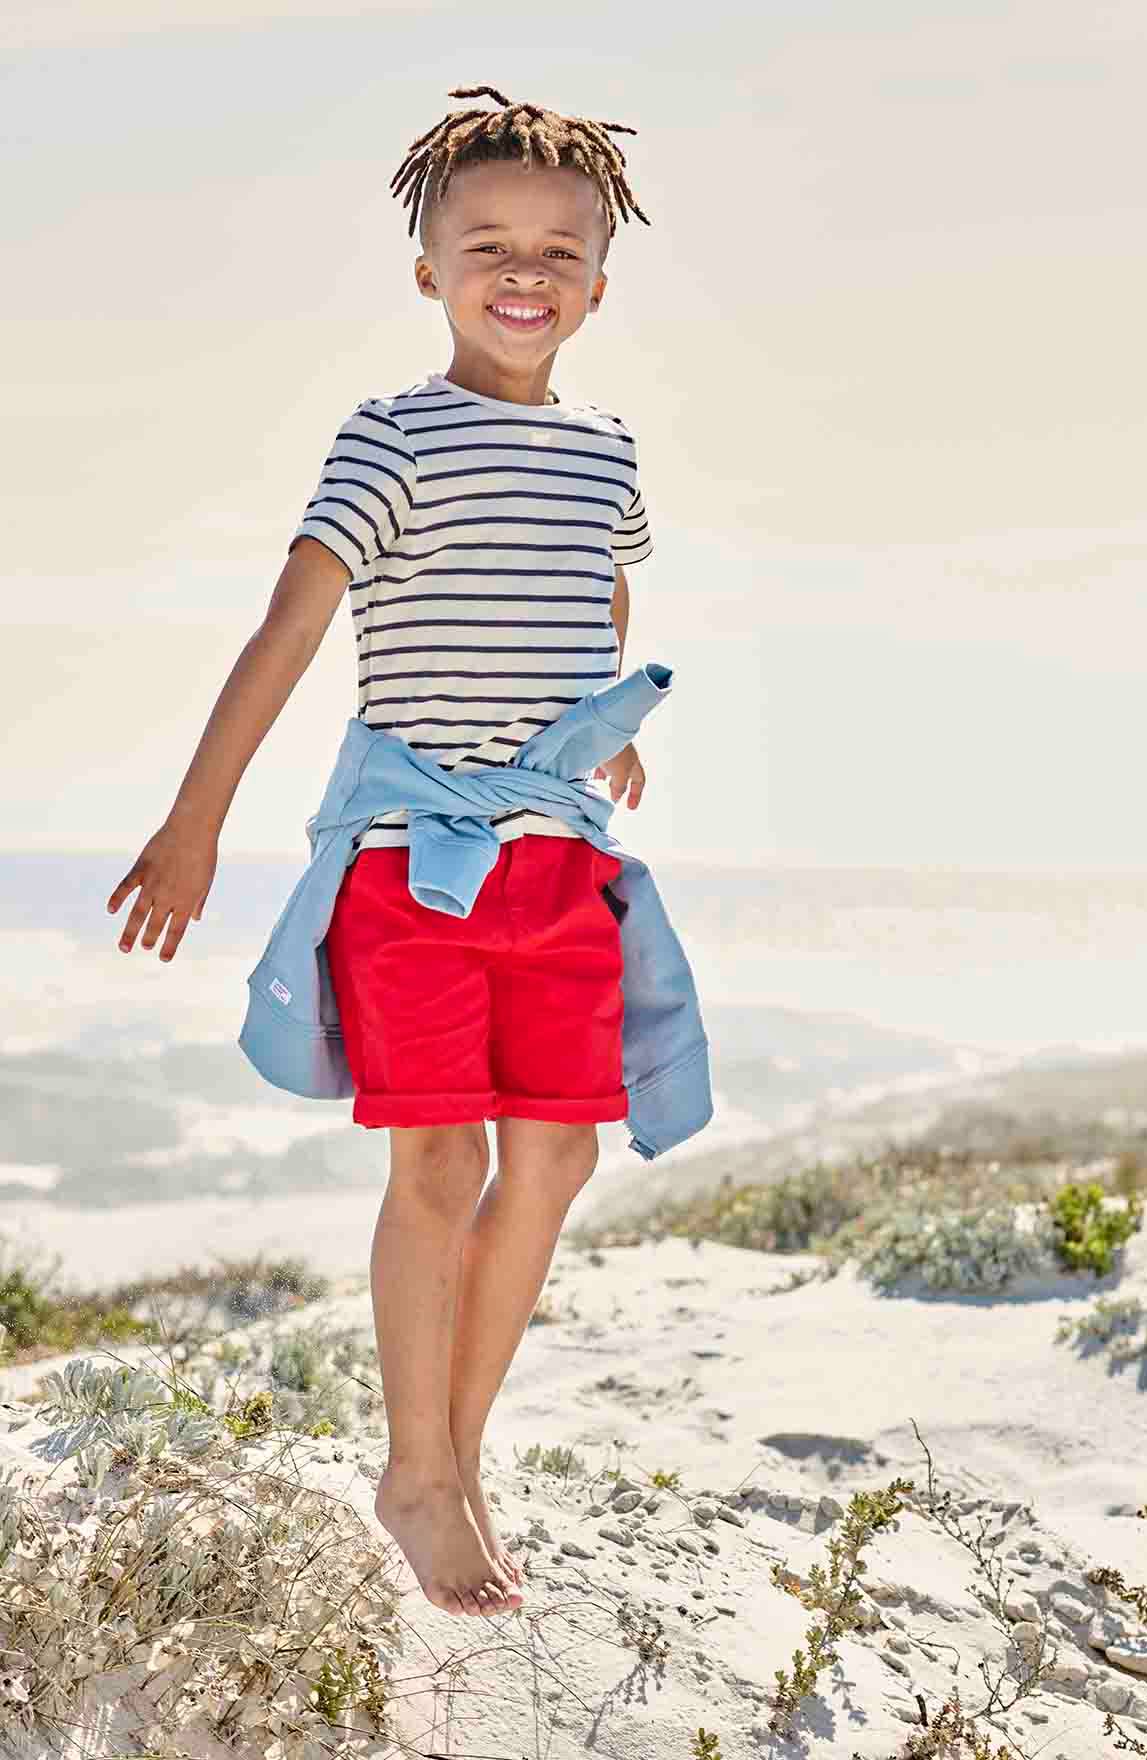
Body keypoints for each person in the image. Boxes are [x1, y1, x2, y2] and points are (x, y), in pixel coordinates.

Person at [106, 84, 672, 1620]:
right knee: (445, 1154)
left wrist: (604, 729)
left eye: (559, 249)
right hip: (409, 861)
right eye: (486, 241)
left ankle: (448, 1459)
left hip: (559, 861)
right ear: (429, 269)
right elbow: (292, 627)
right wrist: (195, 822)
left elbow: (597, 611)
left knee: (555, 1152)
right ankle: (419, 1466)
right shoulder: (393, 434)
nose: (523, 271)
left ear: (600, 284)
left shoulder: (611, 457)